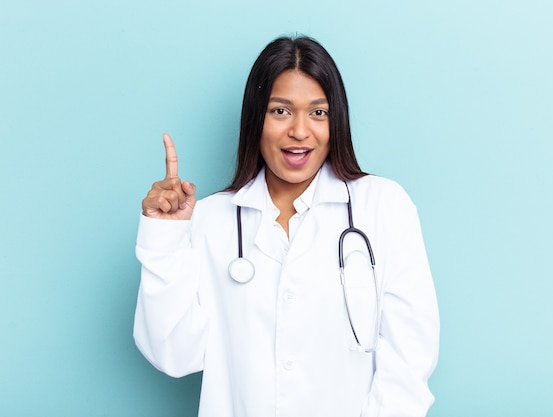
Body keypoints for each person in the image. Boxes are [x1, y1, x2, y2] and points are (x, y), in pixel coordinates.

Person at [134, 36, 439, 417]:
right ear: (255, 119)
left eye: (318, 113)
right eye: (280, 111)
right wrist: (165, 239)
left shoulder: (384, 207)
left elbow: (409, 360)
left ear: (336, 121)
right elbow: (173, 354)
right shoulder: (211, 221)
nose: (299, 131)